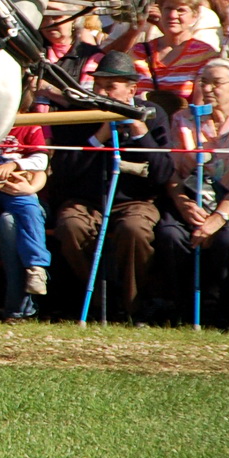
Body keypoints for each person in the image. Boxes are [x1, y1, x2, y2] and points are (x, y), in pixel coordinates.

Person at [50, 51, 172, 322]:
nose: (102, 92)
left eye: (111, 87)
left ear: (132, 89)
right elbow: (64, 171)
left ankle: (132, 307)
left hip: (135, 200)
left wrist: (141, 133)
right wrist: (99, 136)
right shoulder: (77, 115)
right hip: (86, 199)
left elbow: (163, 172)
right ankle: (96, 301)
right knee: (70, 226)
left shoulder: (154, 115)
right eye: (99, 85)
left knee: (134, 231)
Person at [155, 57, 229, 323]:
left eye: (217, 83)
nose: (208, 89)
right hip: (190, 199)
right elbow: (173, 172)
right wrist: (183, 204)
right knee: (170, 235)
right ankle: (181, 307)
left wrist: (218, 219)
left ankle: (221, 308)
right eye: (204, 82)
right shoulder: (183, 120)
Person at [0, 100, 51, 319]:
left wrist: (13, 167)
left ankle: (36, 267)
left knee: (29, 209)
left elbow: (41, 159)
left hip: (18, 185)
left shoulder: (30, 125)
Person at [133, 0, 219, 105]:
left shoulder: (205, 55)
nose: (173, 15)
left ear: (194, 15)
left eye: (181, 10)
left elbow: (200, 106)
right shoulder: (139, 51)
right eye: (168, 8)